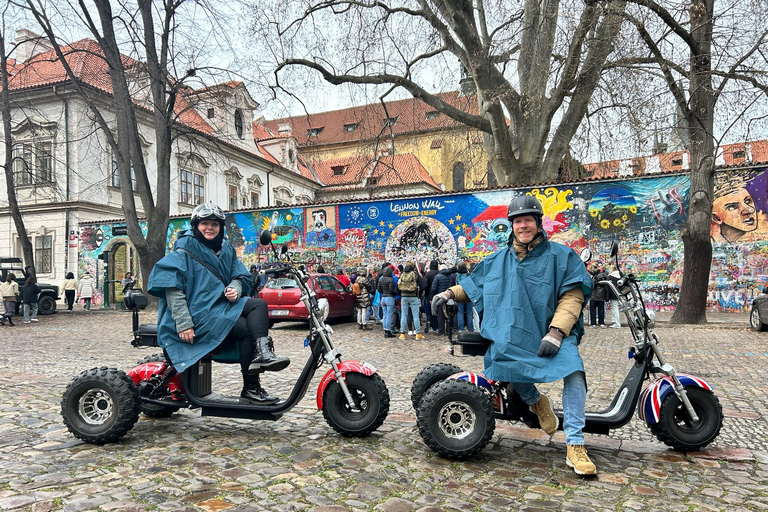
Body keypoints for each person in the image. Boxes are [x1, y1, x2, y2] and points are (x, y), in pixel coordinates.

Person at [432, 195, 596, 475]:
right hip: (516, 332)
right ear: (512, 225)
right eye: (518, 221)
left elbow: (572, 296)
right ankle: (536, 402)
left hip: (553, 331)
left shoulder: (561, 256)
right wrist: (448, 293)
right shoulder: (497, 259)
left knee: (575, 371)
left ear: (537, 223)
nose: (523, 225)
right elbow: (474, 286)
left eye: (528, 220)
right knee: (504, 362)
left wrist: (557, 332)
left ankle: (576, 445)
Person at [148, 203, 290, 404]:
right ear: (196, 225)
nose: (209, 228)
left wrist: (235, 288)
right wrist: (184, 323)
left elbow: (240, 274)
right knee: (249, 330)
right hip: (199, 315)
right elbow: (172, 289)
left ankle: (263, 353)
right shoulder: (184, 250)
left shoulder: (225, 249)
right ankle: (251, 387)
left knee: (259, 305)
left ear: (220, 227)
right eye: (204, 223)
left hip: (218, 309)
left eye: (214, 224)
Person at [398, 260, 425, 340]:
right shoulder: (415, 274)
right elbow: (423, 285)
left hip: (404, 296)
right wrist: (419, 295)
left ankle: (402, 334)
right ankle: (418, 334)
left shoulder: (402, 274)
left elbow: (398, 286)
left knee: (404, 315)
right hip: (414, 296)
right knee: (415, 315)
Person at [430, 263, 456, 335]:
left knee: (441, 314)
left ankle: (441, 330)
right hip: (450, 296)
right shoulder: (451, 276)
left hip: (440, 296)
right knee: (449, 313)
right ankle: (449, 329)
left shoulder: (438, 276)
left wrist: (431, 297)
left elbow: (434, 288)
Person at [377, 263, 396, 338]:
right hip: (389, 298)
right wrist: (395, 293)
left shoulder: (381, 279)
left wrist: (383, 292)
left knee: (384, 315)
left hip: (383, 298)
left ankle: (385, 330)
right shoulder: (390, 279)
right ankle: (388, 331)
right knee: (389, 315)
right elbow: (391, 289)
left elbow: (379, 289)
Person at [454, 260, 474, 332]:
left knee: (460, 313)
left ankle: (460, 329)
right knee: (469, 313)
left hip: (460, 294)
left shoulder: (456, 275)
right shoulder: (469, 275)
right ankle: (470, 329)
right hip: (468, 295)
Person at [588, 262, 607, 329]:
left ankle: (593, 323)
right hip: (601, 294)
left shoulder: (591, 275)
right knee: (601, 309)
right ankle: (601, 323)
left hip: (593, 294)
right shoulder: (603, 274)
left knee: (592, 310)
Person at [424, 260, 440, 333]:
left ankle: (433, 326)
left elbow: (425, 285)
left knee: (431, 311)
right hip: (439, 294)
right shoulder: (439, 273)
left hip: (429, 294)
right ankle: (439, 326)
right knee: (439, 310)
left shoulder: (428, 274)